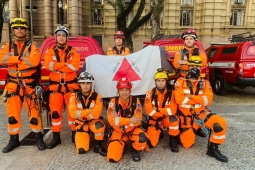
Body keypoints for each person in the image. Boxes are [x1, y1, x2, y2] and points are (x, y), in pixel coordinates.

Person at [0, 18, 46, 153]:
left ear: (26, 30)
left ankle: (39, 138)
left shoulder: (33, 46)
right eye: (16, 28)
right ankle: (13, 140)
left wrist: (12, 60)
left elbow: (34, 61)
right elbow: (1, 59)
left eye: (22, 28)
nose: (19, 30)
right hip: (13, 85)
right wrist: (21, 59)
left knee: (34, 114)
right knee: (12, 115)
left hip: (29, 85)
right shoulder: (7, 46)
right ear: (13, 30)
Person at [174, 55, 228, 162]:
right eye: (192, 65)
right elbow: (179, 100)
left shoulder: (205, 83)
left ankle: (213, 149)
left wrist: (191, 97)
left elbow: (208, 101)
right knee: (187, 144)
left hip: (201, 114)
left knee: (220, 123)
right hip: (186, 118)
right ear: (188, 67)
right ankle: (189, 130)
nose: (194, 68)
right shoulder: (180, 82)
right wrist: (199, 99)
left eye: (197, 66)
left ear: (201, 68)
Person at [44, 25, 80, 149]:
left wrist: (57, 66)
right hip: (55, 89)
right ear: (56, 37)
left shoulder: (73, 51)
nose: (61, 37)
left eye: (63, 35)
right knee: (55, 114)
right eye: (59, 35)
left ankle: (76, 135)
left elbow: (75, 67)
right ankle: (56, 137)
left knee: (73, 113)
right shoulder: (49, 51)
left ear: (66, 38)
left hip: (71, 88)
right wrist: (66, 65)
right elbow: (49, 66)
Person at [106, 78, 148, 162]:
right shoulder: (113, 102)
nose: (124, 92)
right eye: (121, 90)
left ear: (130, 91)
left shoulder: (136, 102)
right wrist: (130, 120)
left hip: (133, 130)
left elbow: (138, 120)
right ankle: (122, 144)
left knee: (142, 139)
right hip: (119, 132)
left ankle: (134, 149)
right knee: (112, 158)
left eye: (126, 90)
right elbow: (111, 121)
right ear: (118, 91)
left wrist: (118, 119)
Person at [68, 71, 107, 156]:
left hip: (93, 122)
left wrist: (81, 113)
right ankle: (85, 136)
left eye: (88, 83)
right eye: (83, 83)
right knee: (81, 150)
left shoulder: (97, 97)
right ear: (79, 85)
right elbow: (72, 114)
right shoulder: (74, 96)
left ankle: (98, 145)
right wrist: (88, 111)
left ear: (91, 84)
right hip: (81, 124)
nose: (85, 86)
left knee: (99, 126)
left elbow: (96, 115)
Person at [144, 68, 179, 152]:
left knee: (174, 119)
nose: (160, 83)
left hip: (166, 119)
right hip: (154, 121)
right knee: (151, 144)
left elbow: (173, 111)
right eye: (158, 80)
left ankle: (173, 140)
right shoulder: (150, 93)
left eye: (162, 80)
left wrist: (158, 110)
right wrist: (164, 112)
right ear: (155, 82)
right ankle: (159, 132)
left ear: (166, 81)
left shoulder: (172, 93)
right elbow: (148, 111)